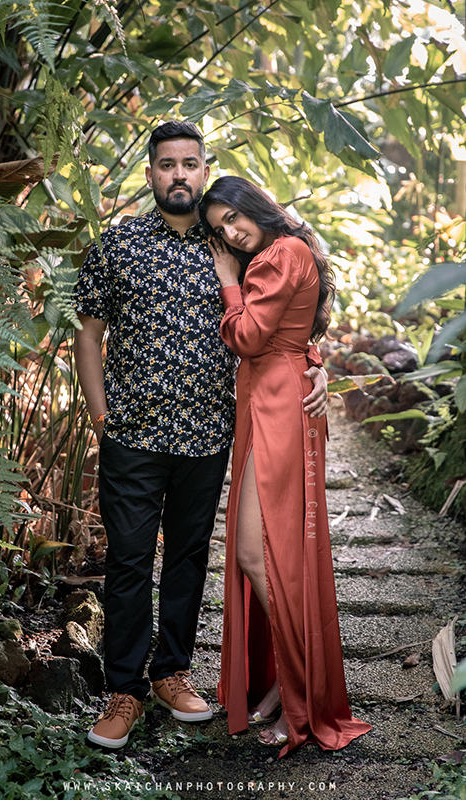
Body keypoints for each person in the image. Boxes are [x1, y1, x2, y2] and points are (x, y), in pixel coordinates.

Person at [72, 121, 329, 750]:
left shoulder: (234, 247)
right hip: (132, 433)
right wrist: (101, 413)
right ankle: (123, 690)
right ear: (152, 172)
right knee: (130, 561)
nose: (179, 174)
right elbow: (88, 331)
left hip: (211, 437)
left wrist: (319, 369)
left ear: (203, 168)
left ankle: (173, 674)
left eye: (190, 163)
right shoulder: (120, 244)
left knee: (187, 559)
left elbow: (290, 314)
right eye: (167, 164)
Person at [199, 176, 371, 756]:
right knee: (268, 554)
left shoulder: (276, 255)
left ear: (254, 204)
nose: (230, 231)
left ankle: (300, 694)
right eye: (220, 227)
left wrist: (228, 283)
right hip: (273, 399)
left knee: (259, 553)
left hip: (276, 405)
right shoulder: (290, 249)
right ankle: (281, 686)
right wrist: (315, 366)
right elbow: (299, 332)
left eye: (233, 217)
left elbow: (248, 337)